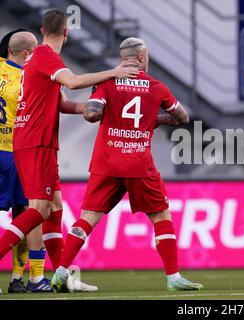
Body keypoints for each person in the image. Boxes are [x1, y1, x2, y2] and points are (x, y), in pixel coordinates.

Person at [0, 9, 138, 294]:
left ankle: (60, 276)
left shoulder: (36, 59)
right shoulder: (47, 57)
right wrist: (115, 72)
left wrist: (91, 110)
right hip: (37, 142)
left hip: (32, 141)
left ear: (42, 30)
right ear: (66, 32)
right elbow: (73, 82)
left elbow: (61, 102)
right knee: (38, 210)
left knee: (54, 209)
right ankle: (38, 278)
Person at [51, 37, 203, 292]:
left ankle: (60, 271)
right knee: (160, 216)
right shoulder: (157, 86)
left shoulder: (106, 83)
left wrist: (100, 112)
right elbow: (183, 117)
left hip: (106, 162)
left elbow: (91, 114)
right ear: (142, 58)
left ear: (123, 58)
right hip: (139, 164)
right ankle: (174, 277)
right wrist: (156, 119)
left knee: (87, 217)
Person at [0, 29, 55, 293]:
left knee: (27, 214)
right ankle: (30, 278)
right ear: (25, 52)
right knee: (30, 214)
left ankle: (19, 279)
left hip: (10, 152)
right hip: (19, 152)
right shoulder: (31, 76)